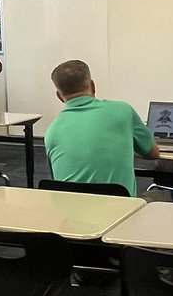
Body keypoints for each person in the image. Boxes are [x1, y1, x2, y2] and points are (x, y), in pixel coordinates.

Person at [43, 60, 159, 196]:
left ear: (59, 96)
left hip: (71, 213)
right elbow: (153, 153)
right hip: (122, 211)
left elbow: (59, 182)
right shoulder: (122, 111)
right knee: (159, 195)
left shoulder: (51, 132)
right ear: (93, 86)